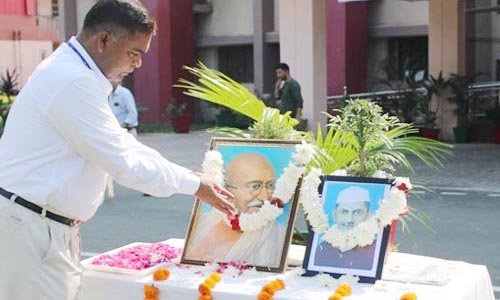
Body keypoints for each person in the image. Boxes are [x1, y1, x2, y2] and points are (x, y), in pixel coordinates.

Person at [0, 1, 234, 300]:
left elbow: (124, 144)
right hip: (32, 231)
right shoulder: (72, 80)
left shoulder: (77, 73)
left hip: (40, 227)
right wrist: (195, 185)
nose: (138, 64)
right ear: (104, 40)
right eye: (134, 53)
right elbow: (124, 164)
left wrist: (189, 175)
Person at [187, 153, 286, 267]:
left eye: (270, 186)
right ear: (227, 188)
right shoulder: (204, 221)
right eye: (255, 186)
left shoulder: (277, 236)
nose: (264, 197)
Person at [314, 186, 376, 270]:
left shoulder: (374, 251)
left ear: (368, 215)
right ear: (335, 214)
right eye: (344, 212)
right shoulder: (322, 248)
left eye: (357, 212)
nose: (349, 219)